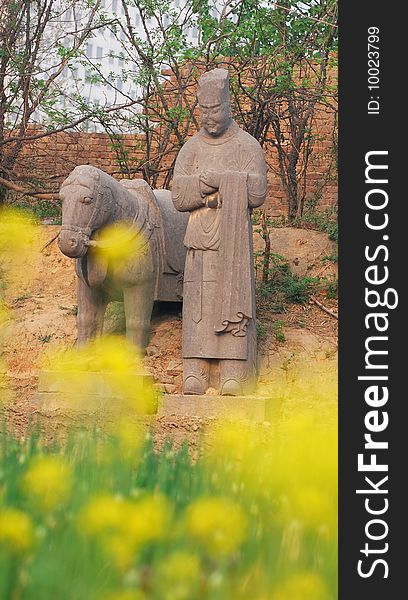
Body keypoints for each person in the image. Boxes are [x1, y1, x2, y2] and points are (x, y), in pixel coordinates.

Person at [172, 68, 267, 396]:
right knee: (198, 304)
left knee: (230, 300)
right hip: (199, 241)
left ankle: (232, 371)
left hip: (233, 244)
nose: (209, 117)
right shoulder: (191, 149)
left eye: (216, 109)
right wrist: (203, 185)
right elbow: (178, 195)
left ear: (229, 106)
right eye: (204, 110)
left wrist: (225, 180)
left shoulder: (246, 146)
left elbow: (257, 193)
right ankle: (195, 370)